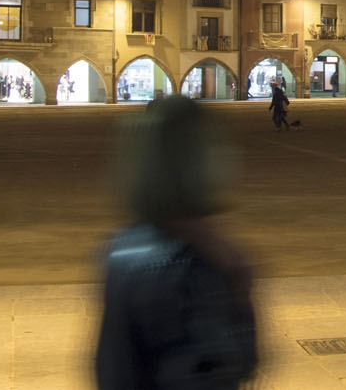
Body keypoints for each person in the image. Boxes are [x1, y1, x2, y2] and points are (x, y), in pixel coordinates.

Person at [96, 95, 258, 389]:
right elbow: (232, 364)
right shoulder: (197, 264)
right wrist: (238, 289)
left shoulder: (121, 247)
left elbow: (112, 369)